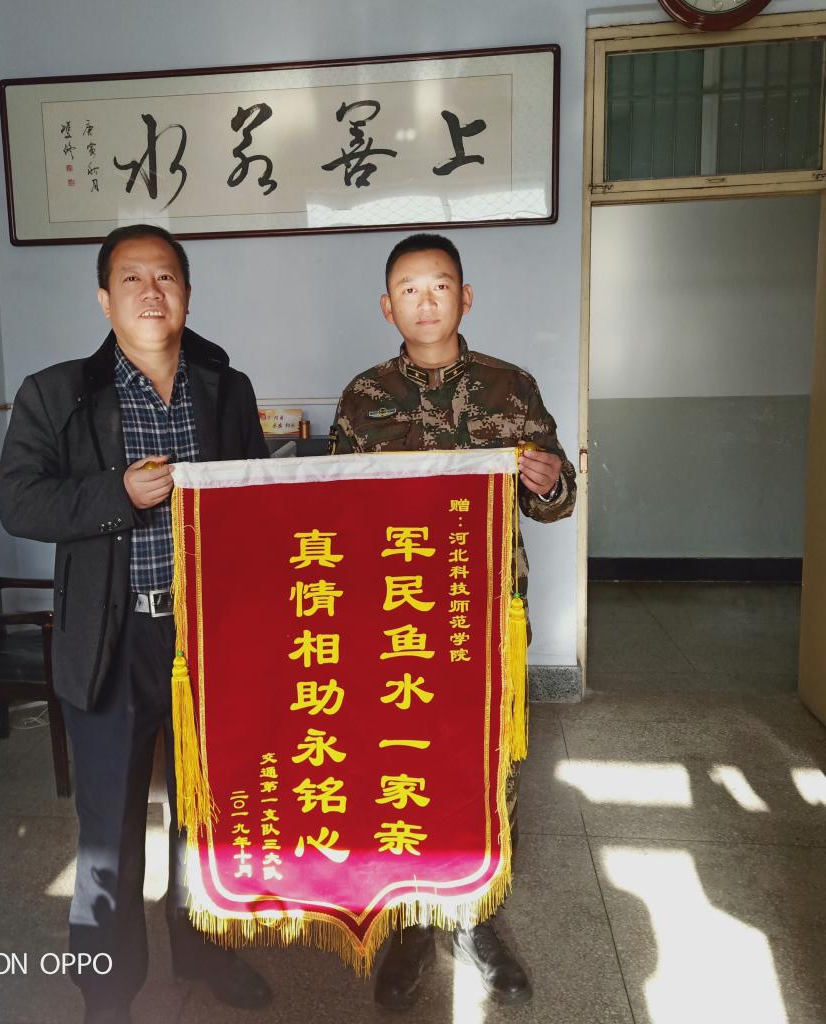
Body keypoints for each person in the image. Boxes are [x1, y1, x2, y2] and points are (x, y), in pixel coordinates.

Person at [0, 224, 272, 1024]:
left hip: (207, 640)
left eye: (166, 277)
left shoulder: (226, 387)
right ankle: (107, 991)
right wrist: (117, 493)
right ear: (104, 299)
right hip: (112, 642)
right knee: (108, 831)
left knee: (208, 814)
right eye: (132, 279)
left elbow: (254, 496)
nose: (152, 292)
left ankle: (205, 950)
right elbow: (20, 501)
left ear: (187, 292)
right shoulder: (57, 393)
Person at [330, 232, 576, 1011]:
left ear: (465, 298)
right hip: (393, 618)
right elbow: (332, 508)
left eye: (440, 285)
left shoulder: (511, 387)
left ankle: (476, 920)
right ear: (388, 306)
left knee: (487, 772)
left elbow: (557, 500)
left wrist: (548, 480)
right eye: (409, 289)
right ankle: (408, 926)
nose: (425, 301)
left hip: (485, 615)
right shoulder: (363, 398)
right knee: (398, 767)